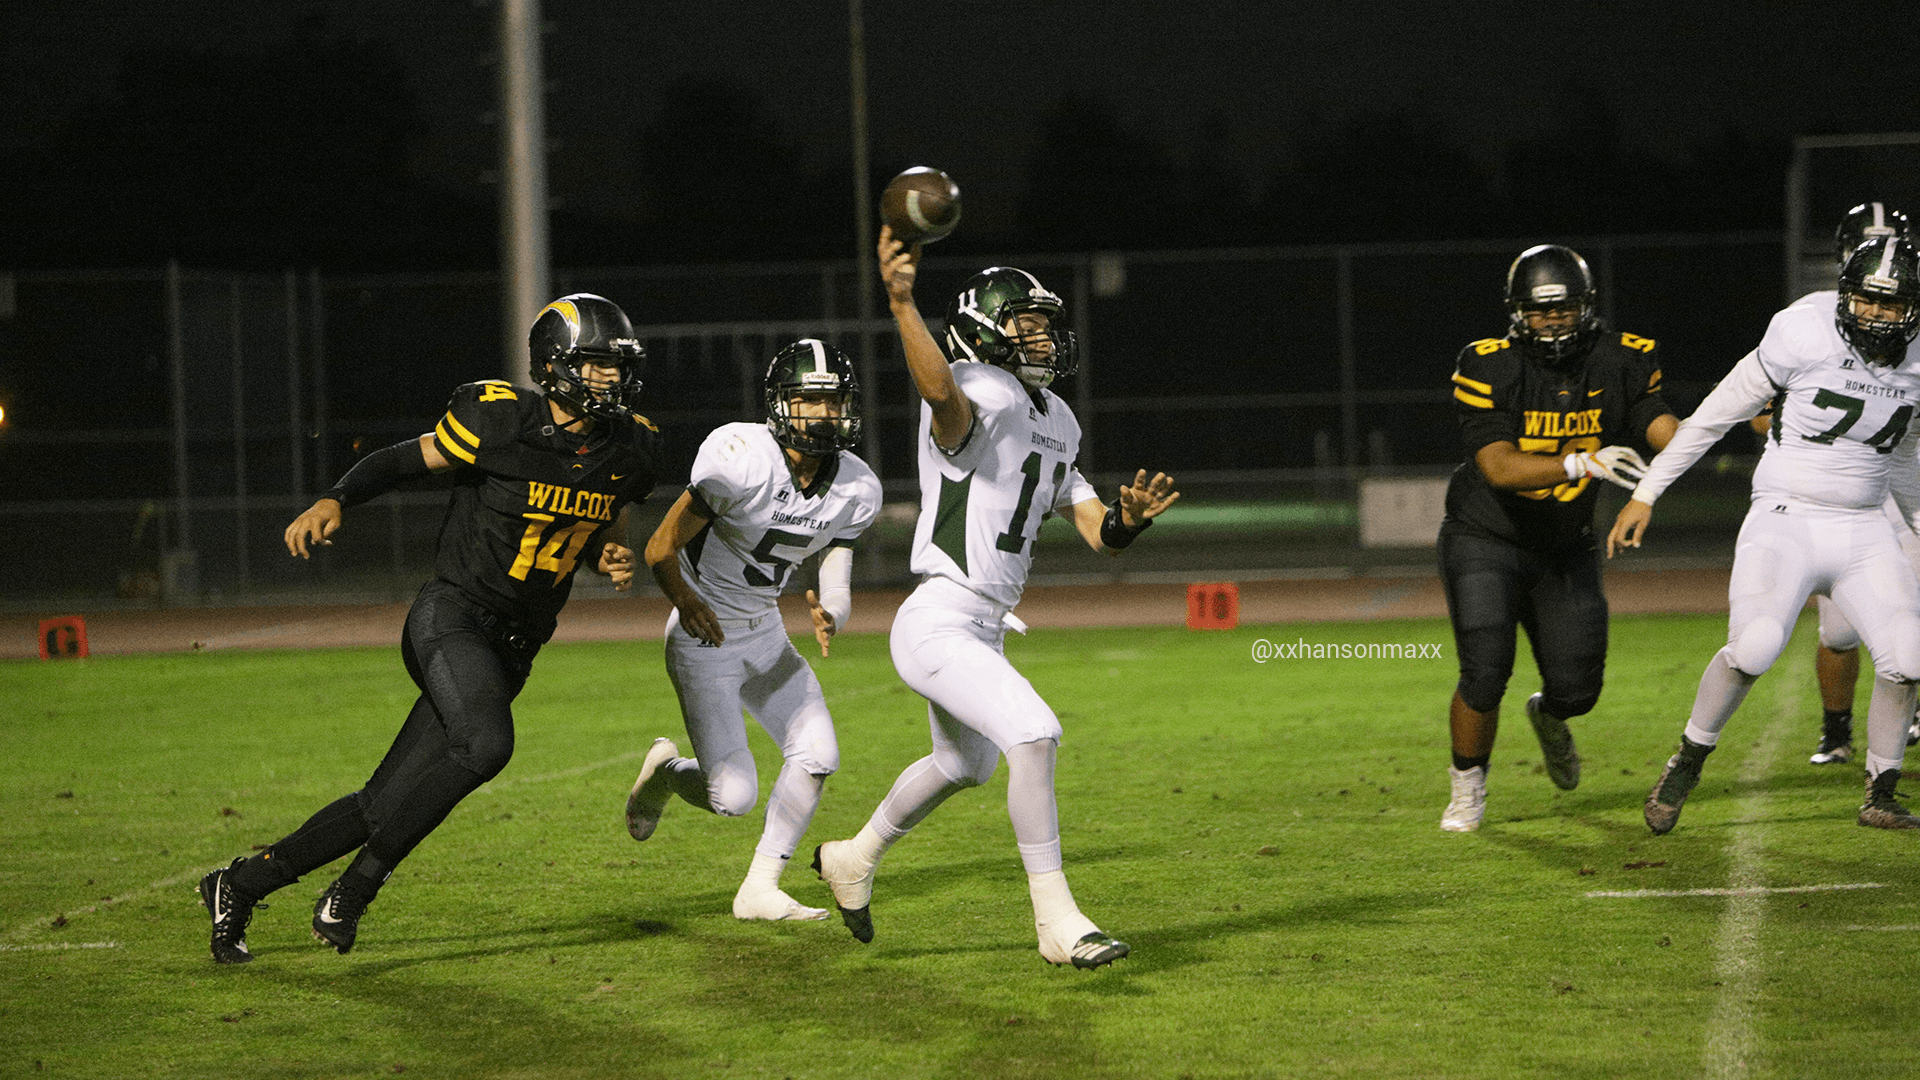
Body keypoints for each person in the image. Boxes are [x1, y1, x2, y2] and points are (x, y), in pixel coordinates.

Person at [196, 294, 662, 963]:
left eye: (617, 366)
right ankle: (356, 888)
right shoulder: (501, 421)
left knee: (380, 804)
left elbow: (593, 520)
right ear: (553, 365)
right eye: (595, 365)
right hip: (453, 616)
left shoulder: (631, 449)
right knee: (487, 745)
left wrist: (603, 554)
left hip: (515, 647)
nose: (610, 379)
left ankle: (239, 885)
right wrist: (336, 498)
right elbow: (399, 460)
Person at [810, 229, 1179, 969]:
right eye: (1026, 324)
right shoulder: (976, 387)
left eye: (1045, 325)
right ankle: (1057, 921)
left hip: (986, 628)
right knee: (1034, 735)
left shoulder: (1059, 418)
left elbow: (1098, 533)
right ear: (983, 331)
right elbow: (940, 392)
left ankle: (853, 857)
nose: (1042, 337)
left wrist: (1128, 521)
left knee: (964, 764)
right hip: (939, 615)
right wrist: (902, 304)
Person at [1612, 236, 1920, 833]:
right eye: (1866, 299)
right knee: (1753, 648)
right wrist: (1646, 492)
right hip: (1786, 517)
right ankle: (1687, 761)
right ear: (1845, 294)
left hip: (1864, 526)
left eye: (1892, 303)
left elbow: (1904, 454)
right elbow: (1712, 418)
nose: (1876, 315)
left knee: (1907, 659)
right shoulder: (1803, 329)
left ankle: (1881, 792)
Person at [623, 338, 880, 922]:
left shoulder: (857, 486)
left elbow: (836, 570)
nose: (824, 414)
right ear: (780, 404)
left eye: (834, 401)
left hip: (765, 632)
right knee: (733, 798)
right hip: (705, 638)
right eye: (809, 400)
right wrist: (686, 601)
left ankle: (759, 888)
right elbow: (659, 547)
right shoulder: (741, 458)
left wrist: (834, 612)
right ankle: (665, 774)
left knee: (818, 754)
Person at [1437, 244, 1678, 832]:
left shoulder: (1621, 357)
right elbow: (1499, 467)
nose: (1551, 322)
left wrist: (1708, 428)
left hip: (1565, 544)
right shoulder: (1488, 364)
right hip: (1485, 536)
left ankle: (1548, 715)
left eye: (1563, 309)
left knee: (1578, 691)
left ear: (1586, 307)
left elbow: (1659, 425)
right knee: (1484, 671)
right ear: (1518, 313)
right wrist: (1583, 463)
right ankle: (1468, 787)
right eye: (1539, 311)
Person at [1751, 203, 1920, 765]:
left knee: (1910, 617)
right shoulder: (1812, 320)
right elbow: (1760, 410)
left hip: (1904, 482)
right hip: (1842, 492)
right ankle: (1836, 731)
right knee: (1840, 629)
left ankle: (1904, 725)